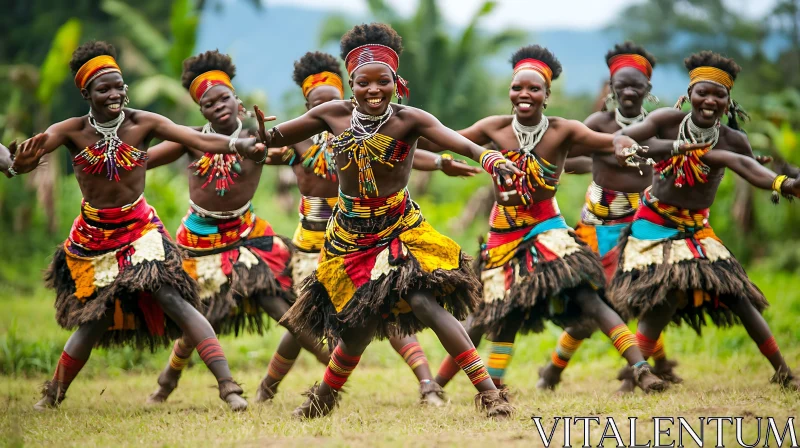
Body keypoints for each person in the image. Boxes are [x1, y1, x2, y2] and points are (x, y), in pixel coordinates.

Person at [255, 23, 519, 419]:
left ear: (397, 81)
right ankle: (324, 398)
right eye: (364, 82)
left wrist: (489, 157)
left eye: (384, 81)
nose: (374, 90)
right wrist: (259, 135)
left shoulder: (410, 120)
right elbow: (275, 136)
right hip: (349, 238)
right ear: (351, 82)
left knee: (422, 300)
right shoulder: (332, 114)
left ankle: (490, 394)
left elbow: (455, 140)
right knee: (358, 324)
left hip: (400, 229)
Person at [7, 41, 270, 411]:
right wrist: (13, 164)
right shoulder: (71, 131)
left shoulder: (144, 122)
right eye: (104, 89)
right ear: (86, 93)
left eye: (119, 86)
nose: (114, 94)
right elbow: (23, 155)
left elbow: (195, 137)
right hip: (93, 237)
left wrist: (237, 145)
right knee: (95, 319)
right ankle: (52, 395)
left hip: (140, 231)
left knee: (171, 297)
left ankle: (229, 388)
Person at [422, 44, 679, 394]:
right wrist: (411, 145)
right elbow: (439, 139)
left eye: (534, 88)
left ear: (547, 94)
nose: (524, 94)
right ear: (509, 92)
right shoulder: (493, 129)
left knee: (589, 298)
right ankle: (441, 386)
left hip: (548, 229)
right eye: (517, 87)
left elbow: (612, 140)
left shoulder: (563, 130)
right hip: (503, 236)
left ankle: (641, 370)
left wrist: (625, 146)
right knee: (491, 316)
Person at [140, 50, 329, 405]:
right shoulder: (192, 139)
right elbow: (139, 164)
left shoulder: (263, 138)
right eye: (209, 104)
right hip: (198, 242)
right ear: (202, 112)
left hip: (247, 238)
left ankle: (332, 370)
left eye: (224, 98)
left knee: (279, 304)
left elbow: (307, 150)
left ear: (237, 101)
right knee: (201, 316)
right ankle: (166, 383)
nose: (218, 107)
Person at [610, 50, 800, 390]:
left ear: (729, 101)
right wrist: (639, 147)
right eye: (703, 92)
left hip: (697, 229)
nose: (710, 100)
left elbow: (747, 167)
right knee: (663, 296)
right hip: (653, 225)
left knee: (738, 295)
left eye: (719, 94)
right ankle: (634, 380)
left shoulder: (732, 140)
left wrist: (782, 183)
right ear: (689, 94)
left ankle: (784, 372)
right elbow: (624, 137)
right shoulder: (665, 121)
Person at [537, 42, 680, 393]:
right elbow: (567, 159)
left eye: (637, 86)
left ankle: (654, 366)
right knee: (593, 308)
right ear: (611, 89)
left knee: (642, 299)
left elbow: (677, 161)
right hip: (595, 227)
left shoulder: (658, 126)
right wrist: (602, 161)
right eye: (622, 85)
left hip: (643, 225)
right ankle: (552, 371)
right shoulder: (597, 123)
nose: (629, 92)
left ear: (648, 90)